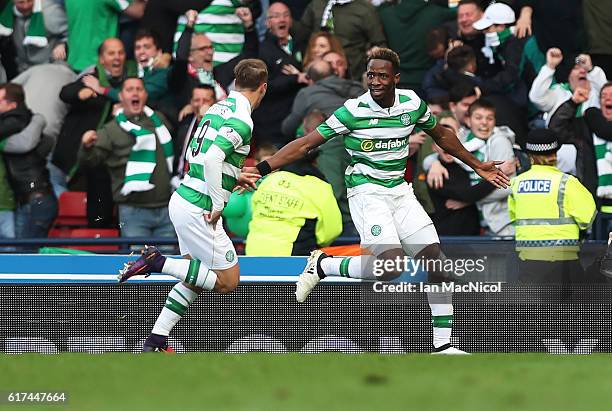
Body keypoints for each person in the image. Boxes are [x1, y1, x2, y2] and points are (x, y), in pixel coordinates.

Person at [244, 48, 509, 354]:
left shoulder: (411, 103)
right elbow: (305, 144)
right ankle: (325, 265)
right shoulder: (353, 111)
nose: (376, 81)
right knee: (391, 267)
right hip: (367, 193)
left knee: (437, 263)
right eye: (371, 75)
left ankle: (442, 345)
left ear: (396, 78)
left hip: (400, 191)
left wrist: (477, 165)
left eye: (383, 75)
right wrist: (261, 168)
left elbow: (442, 135)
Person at [117, 59, 267, 353]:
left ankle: (156, 340)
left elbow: (204, 159)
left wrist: (235, 174)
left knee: (196, 277)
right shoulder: (242, 119)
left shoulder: (217, 108)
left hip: (184, 198)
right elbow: (212, 160)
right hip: (200, 207)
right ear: (263, 88)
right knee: (227, 281)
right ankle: (156, 261)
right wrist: (219, 202)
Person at [77, 77, 176, 241]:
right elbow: (89, 162)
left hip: (167, 209)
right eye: (130, 90)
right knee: (138, 264)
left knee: (168, 264)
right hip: (133, 212)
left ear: (145, 95)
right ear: (121, 96)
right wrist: (86, 147)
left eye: (139, 89)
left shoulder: (160, 120)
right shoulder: (111, 129)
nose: (135, 93)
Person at [508, 128, 596, 284]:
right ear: (555, 153)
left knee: (536, 308)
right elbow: (587, 218)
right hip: (563, 261)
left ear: (529, 155)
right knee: (570, 307)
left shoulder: (516, 183)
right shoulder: (566, 183)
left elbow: (514, 218)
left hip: (528, 261)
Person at [245, 150, 342, 256]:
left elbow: (254, 210)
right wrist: (320, 242)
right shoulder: (320, 187)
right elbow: (332, 230)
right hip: (292, 255)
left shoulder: (270, 180)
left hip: (254, 249)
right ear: (315, 163)